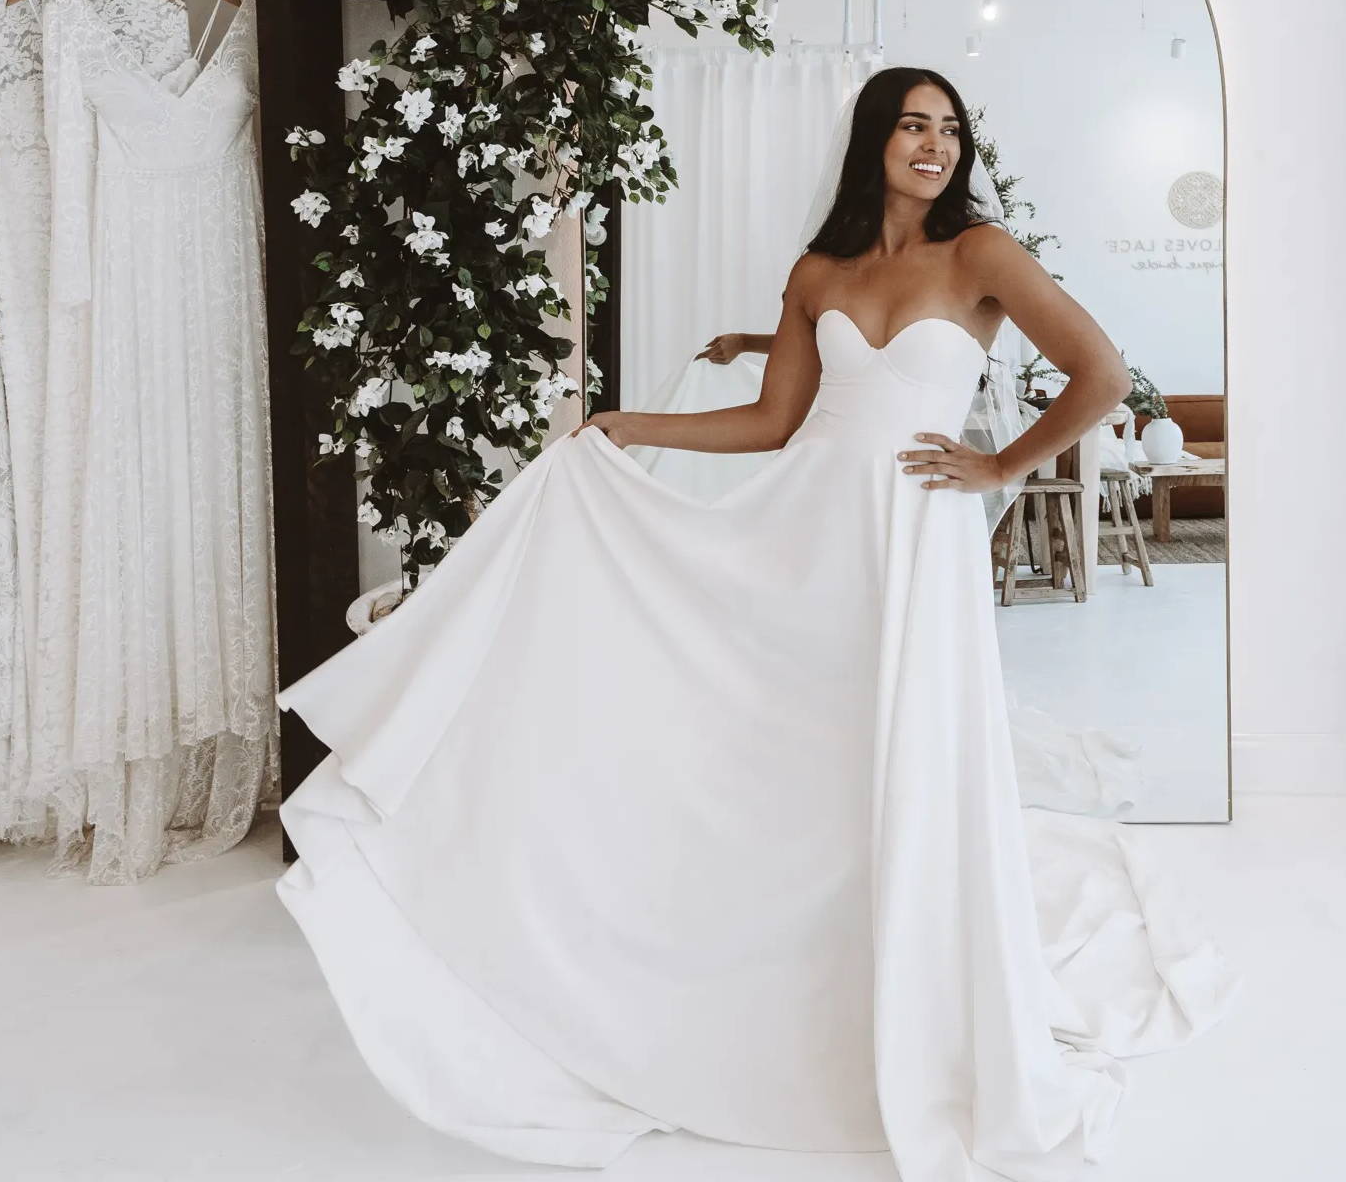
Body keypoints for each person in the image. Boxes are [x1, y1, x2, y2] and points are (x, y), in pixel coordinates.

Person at [273, 66, 1237, 1178]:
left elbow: (1102, 373)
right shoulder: (818, 272)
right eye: (913, 125)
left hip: (913, 542)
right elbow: (779, 420)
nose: (934, 144)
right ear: (873, 139)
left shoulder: (981, 254)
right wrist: (635, 429)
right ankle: (773, 974)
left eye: (951, 128)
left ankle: (903, 980)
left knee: (899, 755)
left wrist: (997, 466)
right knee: (789, 756)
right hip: (806, 535)